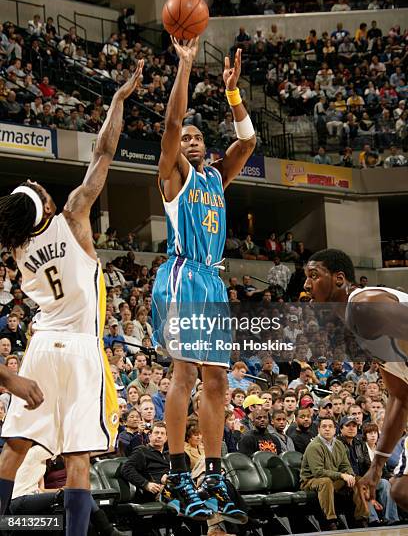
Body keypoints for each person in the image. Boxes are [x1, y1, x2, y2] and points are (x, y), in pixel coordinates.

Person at [0, 62, 144, 535]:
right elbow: (104, 151)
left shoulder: (18, 248)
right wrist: (118, 101)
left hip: (40, 347)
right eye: (41, 189)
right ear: (43, 205)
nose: (45, 187)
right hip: (80, 348)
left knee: (16, 447)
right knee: (79, 455)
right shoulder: (74, 215)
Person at [151, 38, 255, 523]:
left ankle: (211, 476)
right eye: (184, 138)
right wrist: (185, 66)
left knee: (217, 380)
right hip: (182, 274)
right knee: (185, 373)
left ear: (206, 147)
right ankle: (176, 472)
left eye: (196, 138)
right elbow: (172, 122)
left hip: (212, 282)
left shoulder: (215, 178)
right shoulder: (173, 175)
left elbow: (249, 143)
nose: (188, 140)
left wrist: (233, 95)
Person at [303, 247, 408, 514]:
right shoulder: (358, 326)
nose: (306, 285)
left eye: (314, 276)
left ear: (339, 279)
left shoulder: (365, 306)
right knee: (402, 491)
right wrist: (377, 465)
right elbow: (400, 397)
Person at [300, 417, 369, 531]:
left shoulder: (338, 445)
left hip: (332, 480)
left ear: (335, 429)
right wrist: (342, 475)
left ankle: (361, 519)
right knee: (325, 482)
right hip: (310, 481)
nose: (327, 429)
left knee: (358, 480)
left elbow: (345, 465)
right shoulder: (314, 446)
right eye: (324, 426)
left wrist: (350, 475)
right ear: (318, 429)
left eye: (330, 426)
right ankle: (330, 521)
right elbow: (318, 472)